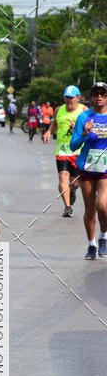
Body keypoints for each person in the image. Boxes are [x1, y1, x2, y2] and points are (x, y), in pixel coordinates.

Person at [70, 81, 107, 260]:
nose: (99, 97)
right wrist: (84, 134)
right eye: (96, 94)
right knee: (90, 209)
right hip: (87, 167)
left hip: (105, 169)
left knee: (103, 206)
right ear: (91, 97)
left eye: (103, 94)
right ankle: (91, 244)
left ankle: (103, 237)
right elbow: (73, 145)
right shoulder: (84, 117)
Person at [42, 85, 85, 217]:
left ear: (78, 98)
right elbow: (54, 124)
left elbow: (92, 129)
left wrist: (78, 128)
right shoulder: (58, 110)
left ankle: (72, 190)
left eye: (71, 97)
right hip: (62, 151)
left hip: (78, 151)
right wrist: (49, 132)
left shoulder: (84, 110)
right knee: (63, 176)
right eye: (66, 97)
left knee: (75, 183)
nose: (68, 100)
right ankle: (67, 207)